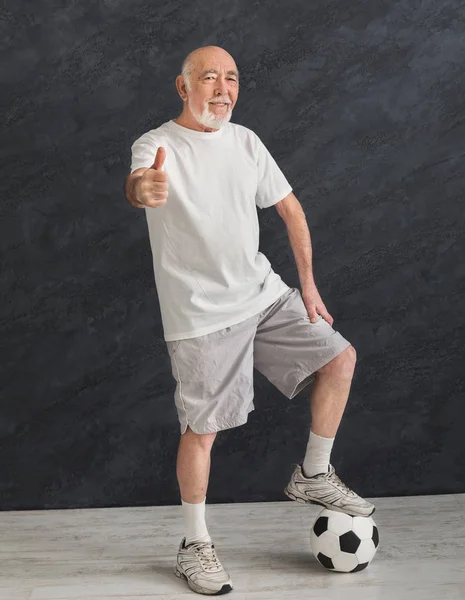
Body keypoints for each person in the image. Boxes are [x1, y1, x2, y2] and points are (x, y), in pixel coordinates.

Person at [125, 45, 375, 596]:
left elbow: (289, 208)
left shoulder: (246, 141)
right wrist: (143, 188)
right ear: (182, 86)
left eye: (231, 78)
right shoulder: (158, 143)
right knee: (202, 431)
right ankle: (194, 545)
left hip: (262, 296)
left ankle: (313, 474)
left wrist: (306, 285)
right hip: (200, 315)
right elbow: (139, 182)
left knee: (340, 358)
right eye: (208, 77)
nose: (222, 88)